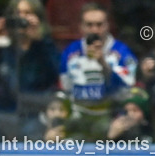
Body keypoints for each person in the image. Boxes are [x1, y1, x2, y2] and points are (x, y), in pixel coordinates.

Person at [0, 0, 60, 137]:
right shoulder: (3, 47)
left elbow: (53, 74)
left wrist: (40, 40)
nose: (21, 18)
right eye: (17, 13)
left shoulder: (43, 46)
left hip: (32, 113)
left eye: (27, 13)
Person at [58, 3, 138, 141]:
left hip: (110, 115)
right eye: (89, 25)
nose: (94, 30)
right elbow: (66, 86)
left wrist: (102, 62)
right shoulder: (71, 51)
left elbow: (127, 84)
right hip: (79, 117)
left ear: (107, 25)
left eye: (99, 24)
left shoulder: (122, 52)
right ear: (81, 27)